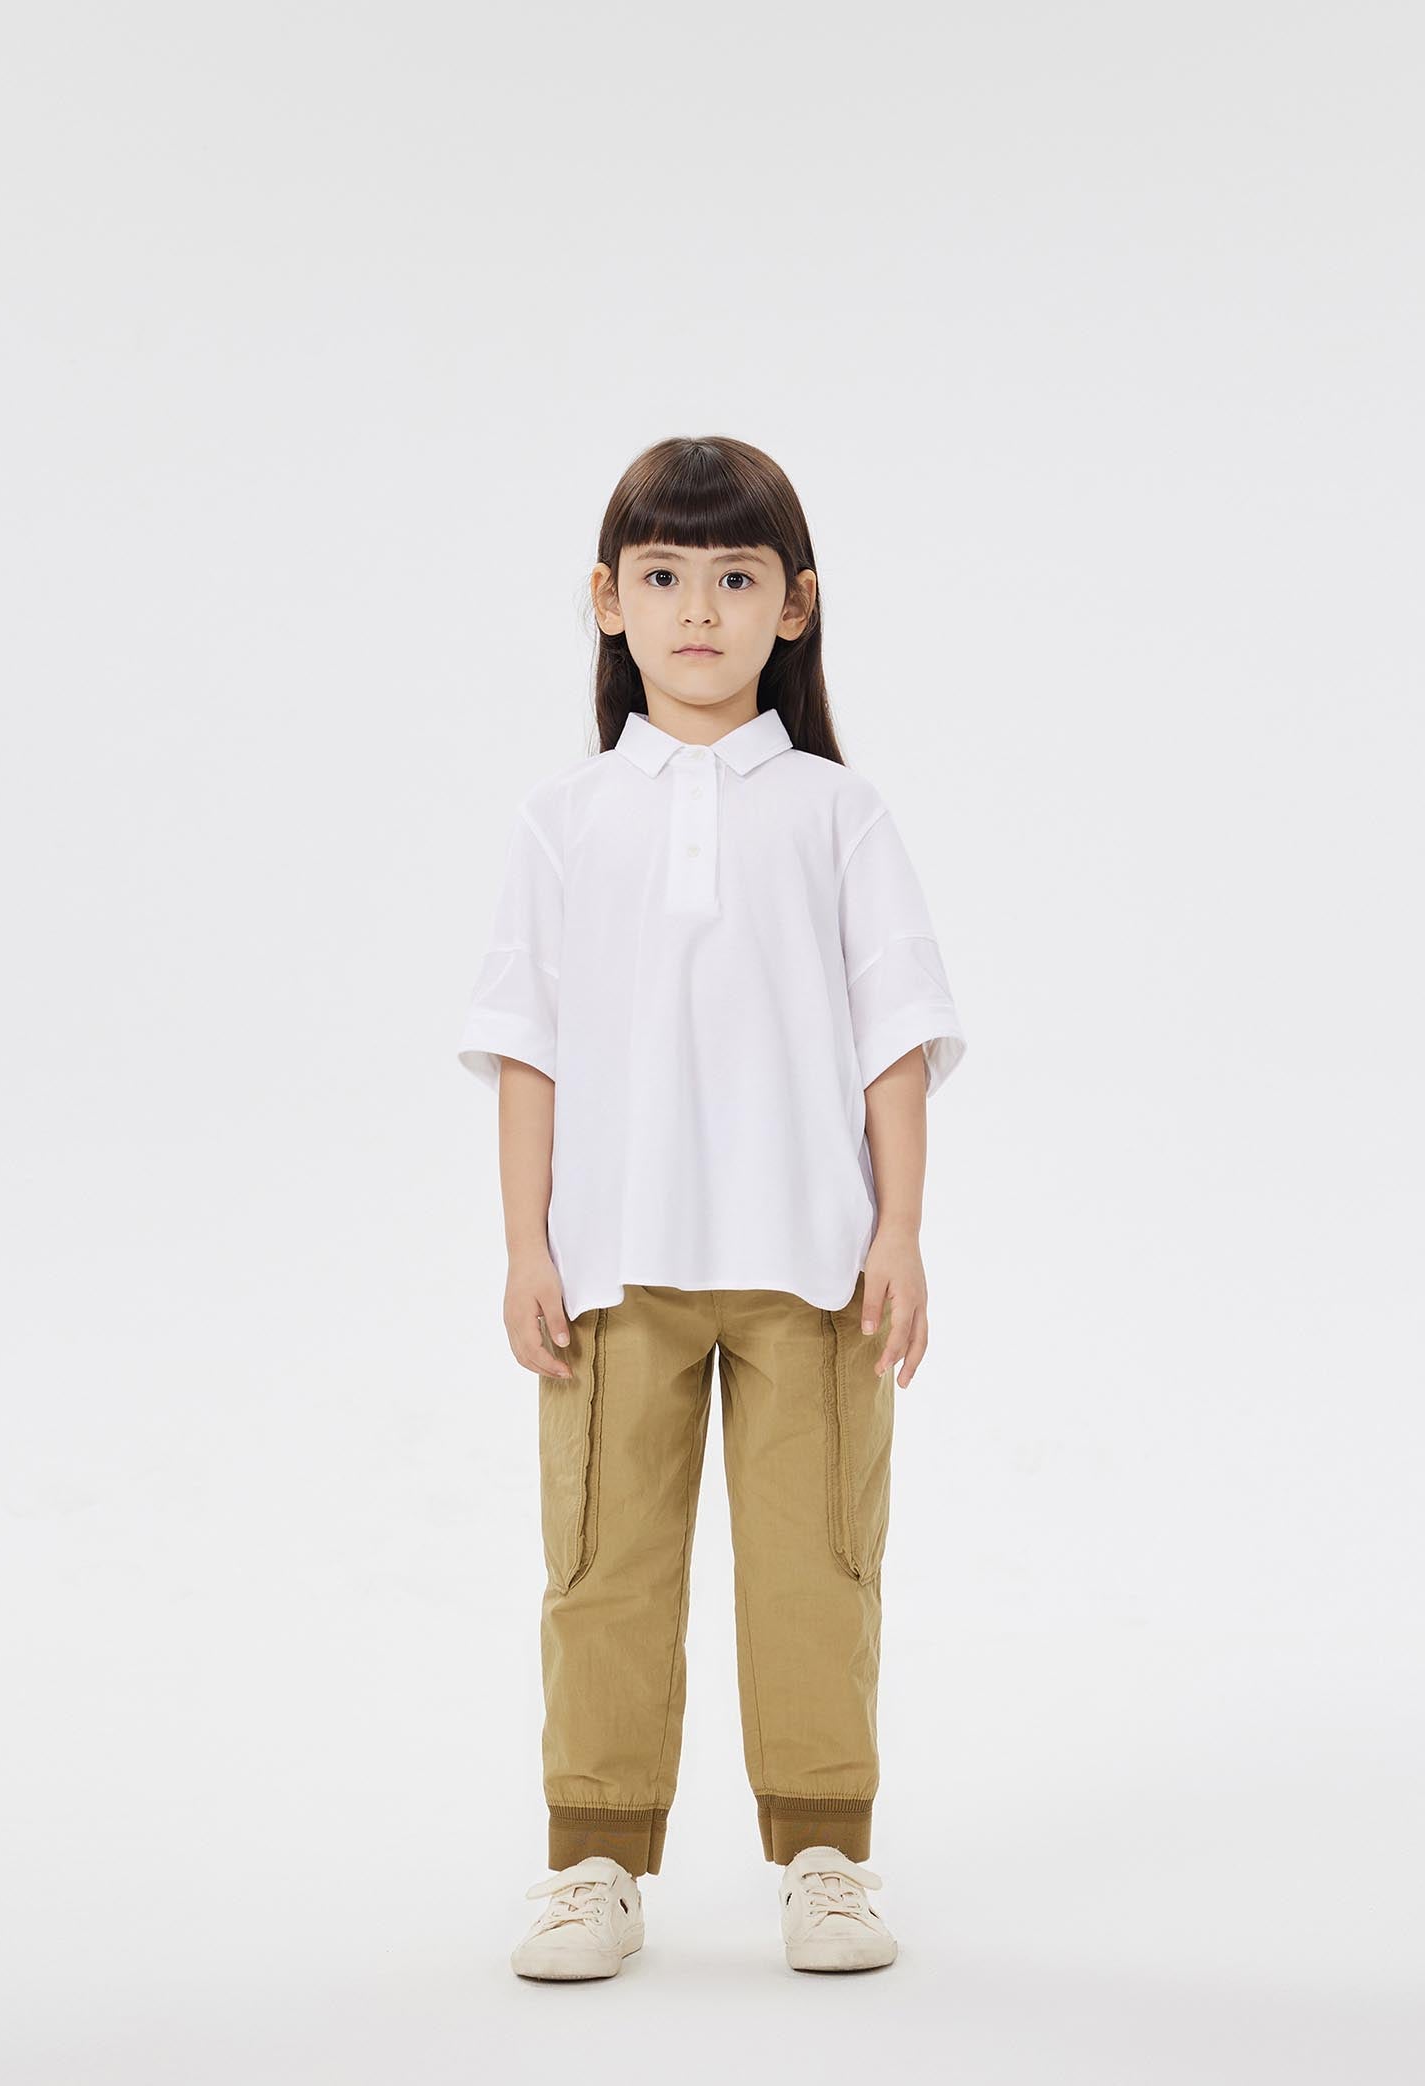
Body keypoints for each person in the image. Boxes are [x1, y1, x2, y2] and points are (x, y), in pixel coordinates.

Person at [457, 434, 967, 1979]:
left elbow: (895, 1037)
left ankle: (825, 1853)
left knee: (819, 1562)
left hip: (813, 1265)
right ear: (608, 599)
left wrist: (898, 1230)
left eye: (736, 576)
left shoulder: (835, 811)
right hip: (617, 1266)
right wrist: (527, 1244)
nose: (699, 608)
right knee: (602, 1563)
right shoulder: (564, 818)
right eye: (665, 574)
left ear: (792, 604)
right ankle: (593, 1863)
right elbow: (528, 1044)